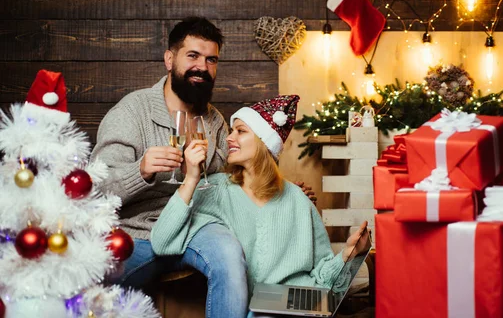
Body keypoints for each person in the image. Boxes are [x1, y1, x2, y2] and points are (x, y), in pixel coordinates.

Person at [150, 95, 370, 316]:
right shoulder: (217, 190)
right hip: (257, 309)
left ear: (265, 142)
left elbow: (325, 287)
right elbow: (162, 242)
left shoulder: (298, 200)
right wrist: (191, 179)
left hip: (300, 305)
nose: (228, 138)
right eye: (232, 130)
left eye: (241, 131)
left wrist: (348, 254)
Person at [91, 17, 247, 318]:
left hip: (197, 225)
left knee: (230, 254)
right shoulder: (131, 111)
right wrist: (141, 171)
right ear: (169, 58)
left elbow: (231, 177)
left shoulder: (214, 120)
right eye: (193, 56)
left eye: (211, 59)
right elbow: (96, 190)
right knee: (98, 283)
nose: (202, 66)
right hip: (139, 231)